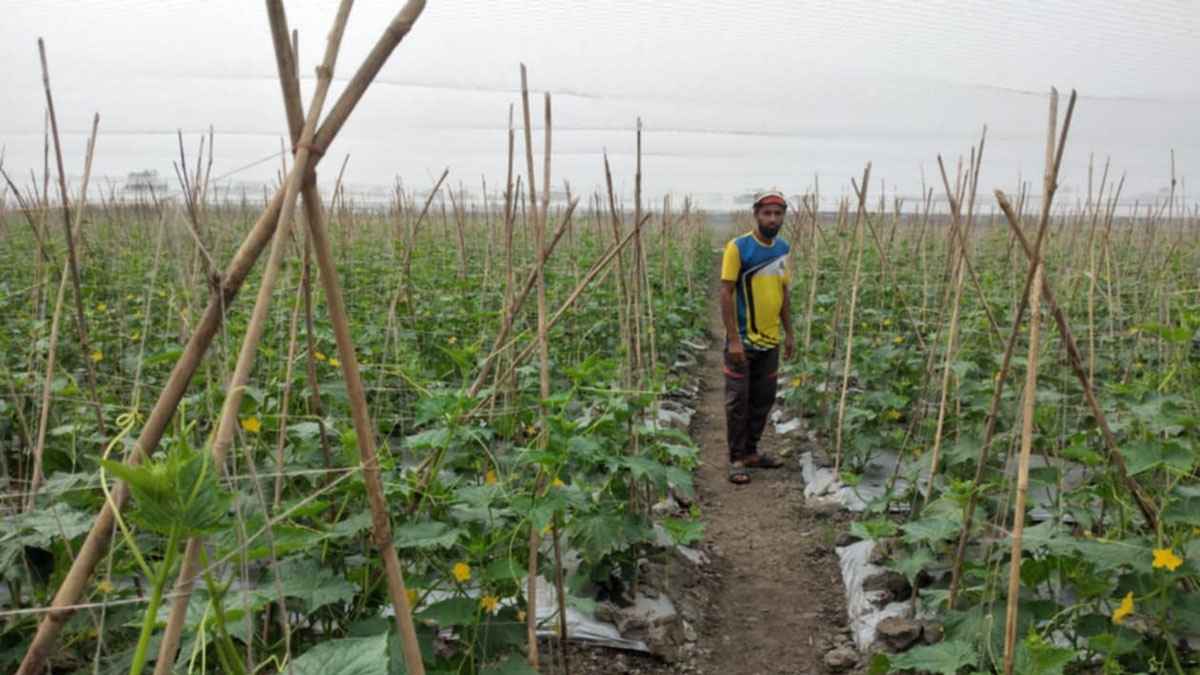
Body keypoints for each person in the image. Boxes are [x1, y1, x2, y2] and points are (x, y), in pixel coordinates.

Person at [720, 190, 795, 484]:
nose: (773, 219)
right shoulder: (738, 248)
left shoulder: (783, 249)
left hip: (770, 341)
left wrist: (789, 333)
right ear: (756, 215)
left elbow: (784, 293)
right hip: (743, 342)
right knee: (738, 400)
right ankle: (736, 458)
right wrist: (734, 339)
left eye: (778, 214)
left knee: (763, 399)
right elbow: (726, 292)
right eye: (767, 213)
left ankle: (751, 451)